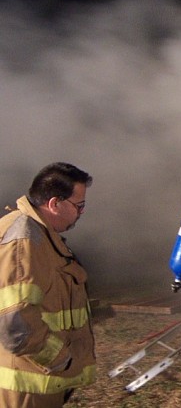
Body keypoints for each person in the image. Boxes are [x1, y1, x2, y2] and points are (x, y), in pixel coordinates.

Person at [0, 162, 96, 408]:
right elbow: (16, 325)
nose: (82, 212)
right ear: (54, 203)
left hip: (35, 378)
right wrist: (61, 361)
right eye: (79, 205)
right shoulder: (25, 241)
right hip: (28, 385)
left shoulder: (37, 233)